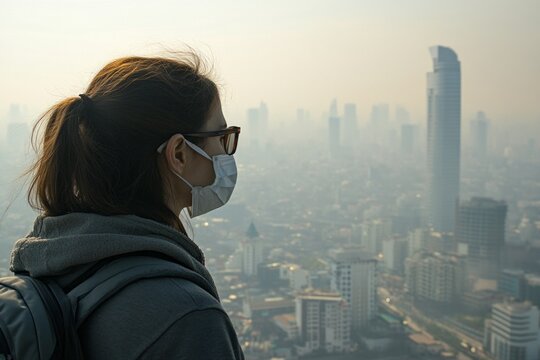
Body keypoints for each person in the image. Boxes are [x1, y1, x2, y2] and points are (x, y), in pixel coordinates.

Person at [9, 52, 244, 359]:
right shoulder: (186, 317)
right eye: (221, 137)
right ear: (179, 154)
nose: (226, 153)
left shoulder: (49, 265)